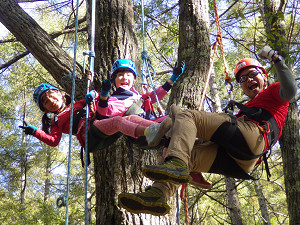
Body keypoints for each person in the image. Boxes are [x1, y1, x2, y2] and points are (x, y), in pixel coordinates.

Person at [118, 46, 297, 216]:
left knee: (186, 116)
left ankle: (176, 161)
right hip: (242, 160)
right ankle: (157, 195)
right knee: (188, 156)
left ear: (264, 77)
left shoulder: (274, 92)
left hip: (254, 137)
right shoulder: (246, 110)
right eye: (243, 79)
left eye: (252, 74)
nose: (249, 80)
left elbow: (290, 91)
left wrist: (276, 59)